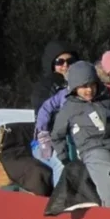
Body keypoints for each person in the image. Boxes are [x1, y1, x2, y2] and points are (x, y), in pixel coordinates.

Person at [50, 60, 110, 209]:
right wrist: (65, 158)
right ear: (74, 87)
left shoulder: (106, 101)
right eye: (84, 86)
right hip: (92, 150)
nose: (89, 90)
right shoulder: (69, 108)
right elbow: (57, 135)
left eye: (92, 85)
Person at [31, 40, 78, 185]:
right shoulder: (44, 87)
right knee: (62, 162)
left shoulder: (82, 84)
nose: (65, 65)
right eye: (60, 61)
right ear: (52, 64)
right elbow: (43, 115)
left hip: (77, 138)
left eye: (70, 61)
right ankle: (60, 203)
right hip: (46, 142)